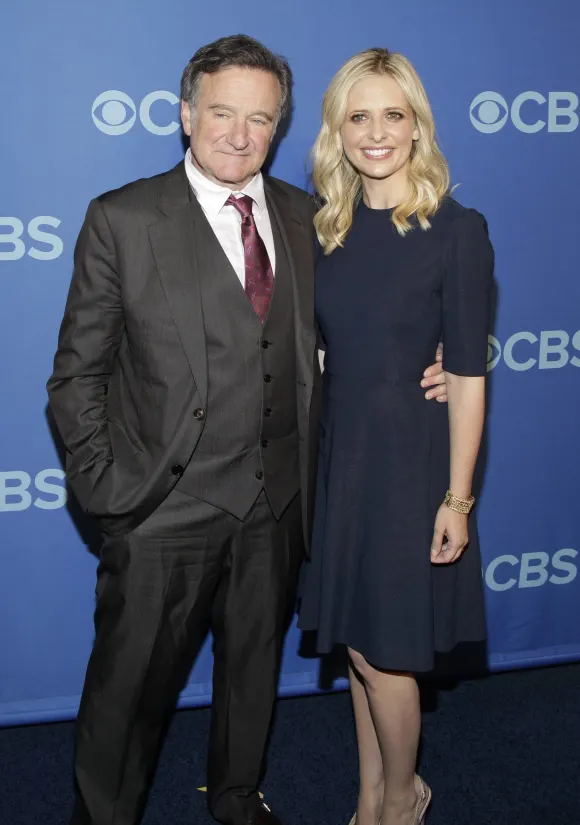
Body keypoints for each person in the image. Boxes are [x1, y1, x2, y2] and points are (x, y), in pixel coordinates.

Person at [47, 35, 447, 825]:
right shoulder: (124, 218)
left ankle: (236, 795)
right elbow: (76, 376)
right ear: (186, 113)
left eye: (260, 119)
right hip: (161, 507)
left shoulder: (311, 219)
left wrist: (436, 359)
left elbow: (369, 319)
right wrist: (112, 491)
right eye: (222, 113)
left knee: (253, 670)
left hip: (277, 501)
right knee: (128, 689)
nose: (239, 134)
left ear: (280, 125)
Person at [299, 48, 494, 825]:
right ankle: (370, 795)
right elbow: (320, 347)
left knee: (386, 653)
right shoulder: (324, 228)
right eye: (359, 116)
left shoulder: (458, 230)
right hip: (340, 455)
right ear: (337, 131)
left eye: (392, 114)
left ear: (417, 126)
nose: (376, 133)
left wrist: (458, 498)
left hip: (409, 465)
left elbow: (469, 376)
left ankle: (404, 796)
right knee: (358, 645)